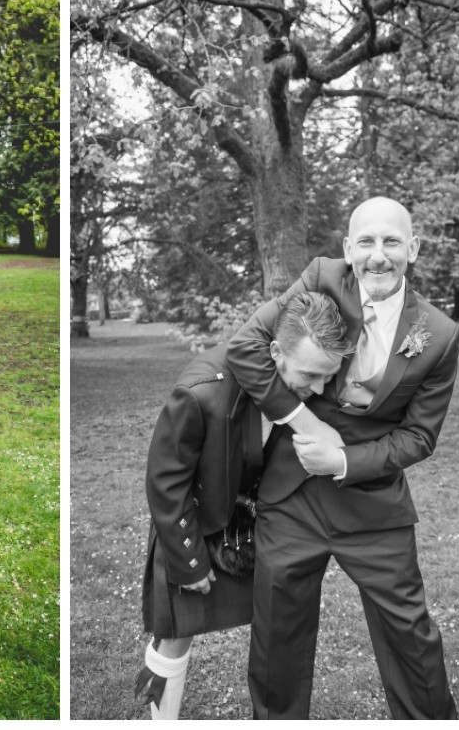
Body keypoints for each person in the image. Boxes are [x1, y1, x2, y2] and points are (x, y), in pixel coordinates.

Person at [226, 196, 459, 719]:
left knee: (411, 635)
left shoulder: (440, 335)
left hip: (373, 504)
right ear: (349, 248)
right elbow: (246, 347)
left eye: (392, 242)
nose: (379, 256)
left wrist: (345, 462)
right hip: (292, 496)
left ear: (414, 249)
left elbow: (420, 437)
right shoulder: (319, 277)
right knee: (275, 636)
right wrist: (305, 422)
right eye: (368, 242)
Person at [137, 293, 353, 720]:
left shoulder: (311, 382)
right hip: (200, 519)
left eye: (328, 377)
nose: (319, 390)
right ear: (274, 352)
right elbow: (166, 482)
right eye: (310, 375)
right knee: (177, 632)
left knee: (276, 623)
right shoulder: (201, 395)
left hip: (262, 520)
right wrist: (189, 562)